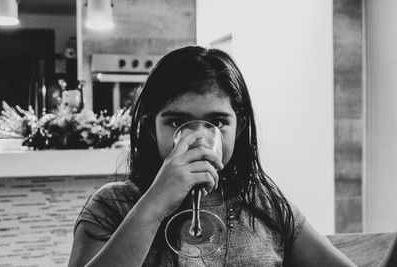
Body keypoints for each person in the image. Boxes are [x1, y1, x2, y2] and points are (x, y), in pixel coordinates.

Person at [68, 46, 356, 266]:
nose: (198, 139)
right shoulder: (112, 205)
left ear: (238, 127)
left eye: (217, 122)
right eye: (176, 121)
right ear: (150, 129)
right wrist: (154, 204)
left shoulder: (264, 203)